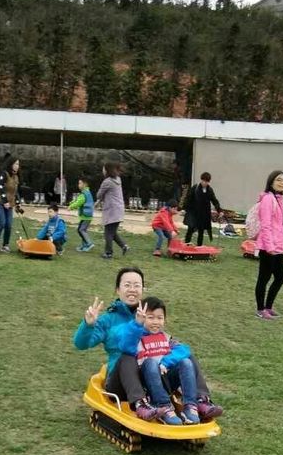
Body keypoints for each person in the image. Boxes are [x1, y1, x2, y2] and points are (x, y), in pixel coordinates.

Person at [73, 267, 223, 422]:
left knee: (186, 356)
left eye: (137, 285)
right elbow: (81, 344)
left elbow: (164, 343)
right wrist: (88, 325)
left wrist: (166, 362)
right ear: (118, 289)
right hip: (123, 381)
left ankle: (199, 401)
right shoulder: (108, 320)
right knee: (127, 356)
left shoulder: (150, 314)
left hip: (152, 374)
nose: (132, 289)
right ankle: (140, 403)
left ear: (142, 289)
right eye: (127, 285)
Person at [115, 297, 203, 425]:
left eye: (159, 318)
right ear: (142, 317)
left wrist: (166, 363)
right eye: (150, 317)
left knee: (186, 362)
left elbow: (184, 350)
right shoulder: (136, 337)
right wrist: (137, 324)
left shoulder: (166, 338)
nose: (155, 322)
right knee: (150, 363)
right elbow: (125, 346)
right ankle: (163, 405)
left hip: (166, 380)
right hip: (145, 382)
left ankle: (190, 405)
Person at [253, 170, 283, 320]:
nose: (282, 182)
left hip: (277, 245)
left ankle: (268, 307)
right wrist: (270, 247)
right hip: (269, 247)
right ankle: (261, 310)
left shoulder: (278, 199)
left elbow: (276, 222)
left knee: (281, 276)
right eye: (279, 179)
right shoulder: (268, 199)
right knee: (264, 278)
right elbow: (265, 225)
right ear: (271, 182)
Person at [96, 161, 129, 260]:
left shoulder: (107, 182)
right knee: (112, 232)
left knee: (108, 233)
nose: (102, 170)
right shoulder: (118, 179)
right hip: (118, 209)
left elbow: (99, 195)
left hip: (112, 210)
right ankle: (124, 246)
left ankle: (108, 253)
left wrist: (99, 199)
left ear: (107, 170)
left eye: (103, 168)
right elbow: (108, 194)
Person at [183, 172, 222, 247]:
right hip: (194, 212)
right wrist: (185, 208)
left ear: (208, 182)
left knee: (201, 230)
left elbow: (214, 200)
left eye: (206, 181)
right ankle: (186, 244)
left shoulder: (209, 190)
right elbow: (188, 199)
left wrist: (219, 210)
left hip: (203, 214)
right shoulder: (195, 188)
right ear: (201, 180)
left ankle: (199, 246)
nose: (204, 183)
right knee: (190, 228)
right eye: (203, 181)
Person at [0, 157, 21, 253]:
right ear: (11, 164)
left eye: (18, 164)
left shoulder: (16, 177)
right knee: (2, 222)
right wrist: (5, 202)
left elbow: (15, 192)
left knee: (9, 225)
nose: (17, 166)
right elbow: (0, 187)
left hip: (10, 204)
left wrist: (17, 204)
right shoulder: (5, 174)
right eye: (16, 164)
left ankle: (5, 245)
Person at [69, 178, 95, 251]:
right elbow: (77, 200)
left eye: (80, 183)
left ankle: (89, 244)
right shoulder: (86, 192)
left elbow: (79, 202)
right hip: (86, 216)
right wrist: (72, 203)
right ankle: (84, 246)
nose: (78, 185)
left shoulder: (84, 193)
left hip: (86, 216)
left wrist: (71, 207)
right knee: (81, 230)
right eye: (78, 183)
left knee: (81, 230)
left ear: (85, 184)